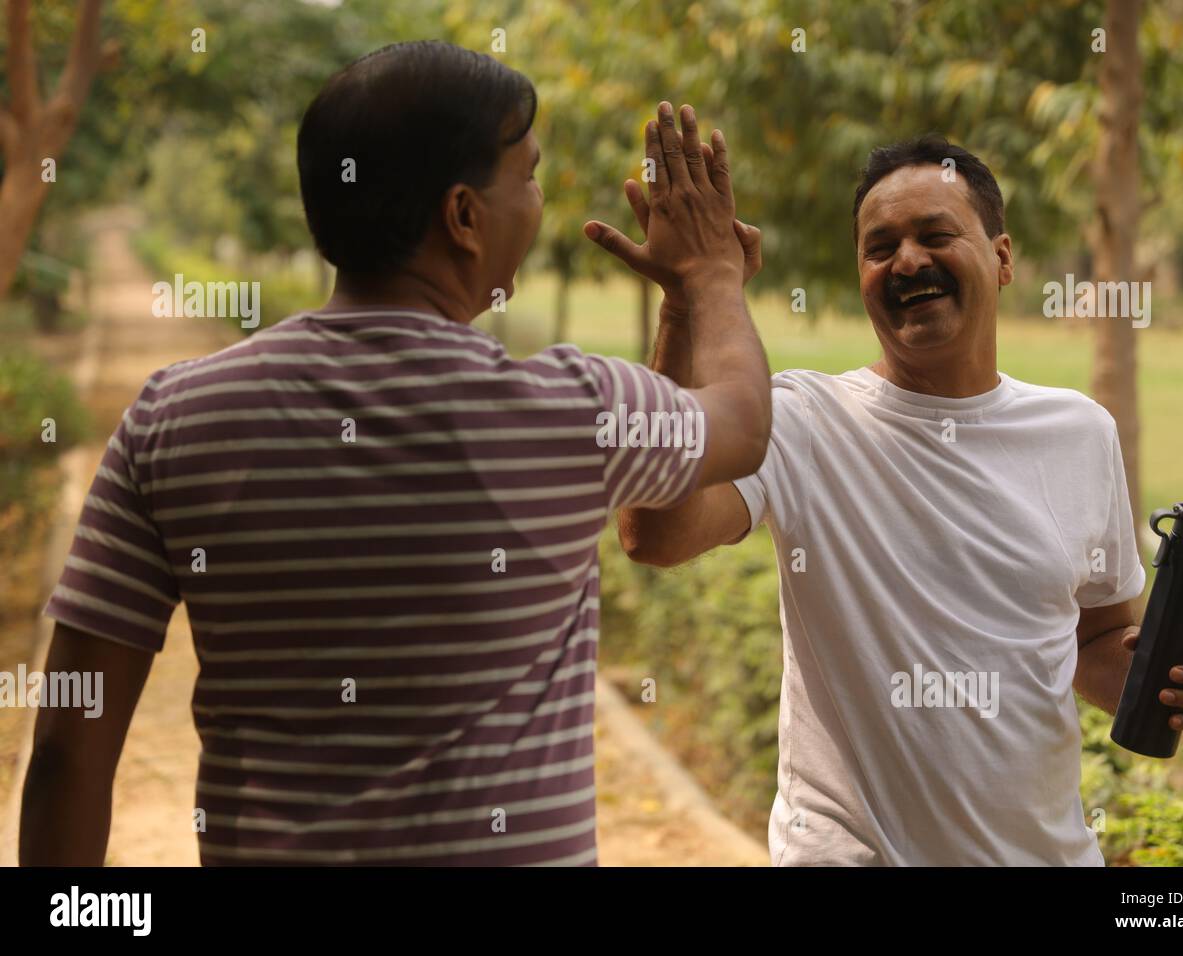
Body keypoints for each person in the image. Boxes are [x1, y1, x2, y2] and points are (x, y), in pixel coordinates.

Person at [20, 40, 770, 866]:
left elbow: (65, 751)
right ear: (463, 216)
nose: (540, 200)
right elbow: (740, 423)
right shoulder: (573, 411)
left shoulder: (173, 417)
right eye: (528, 176)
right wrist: (710, 276)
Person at [611, 135, 1183, 866]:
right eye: (880, 248)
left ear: (1002, 257)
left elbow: (1096, 639)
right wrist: (685, 302)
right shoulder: (803, 420)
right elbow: (656, 532)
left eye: (935, 235)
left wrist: (1159, 681)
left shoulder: (1080, 432)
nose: (906, 262)